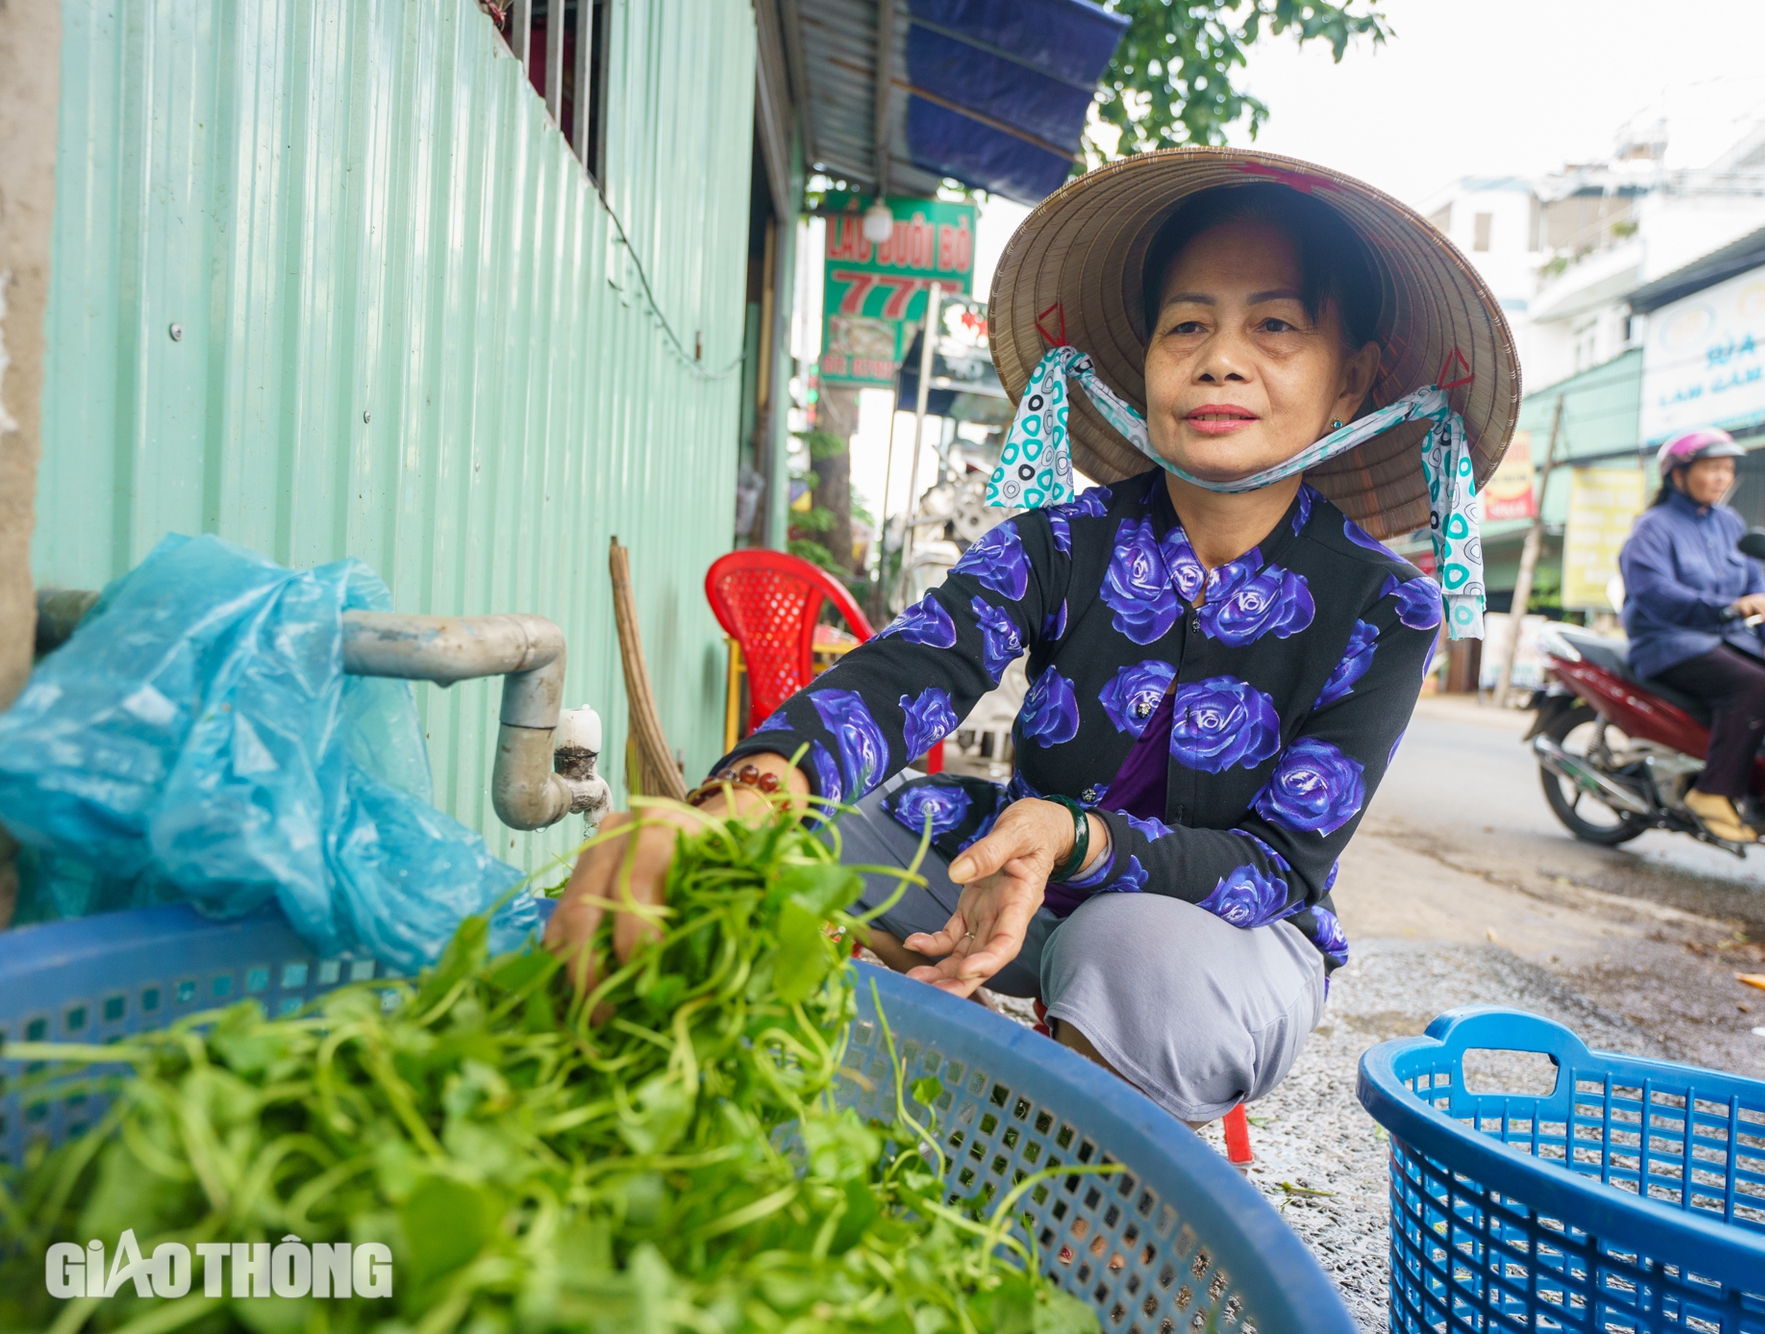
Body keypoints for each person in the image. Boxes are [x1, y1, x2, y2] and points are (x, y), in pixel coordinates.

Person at [546, 148, 1521, 1126]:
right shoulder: (1057, 542)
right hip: (1006, 862)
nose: (1219, 357)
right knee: (768, 856)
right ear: (1143, 363)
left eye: (1272, 324)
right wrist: (732, 805)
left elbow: (1274, 862)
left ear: (1351, 378)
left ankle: (1084, 1213)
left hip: (1221, 929)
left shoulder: (1384, 607)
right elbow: (911, 671)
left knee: (1128, 953)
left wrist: (1074, 835)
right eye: (1187, 323)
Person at [1618, 428, 1765, 843]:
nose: (1722, 478)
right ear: (1678, 475)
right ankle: (1713, 793)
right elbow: (1655, 593)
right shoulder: (1651, 529)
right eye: (1712, 468)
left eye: (1727, 469)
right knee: (1755, 685)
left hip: (1726, 640)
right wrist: (1726, 608)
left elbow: (1755, 592)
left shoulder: (1731, 524)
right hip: (1668, 642)